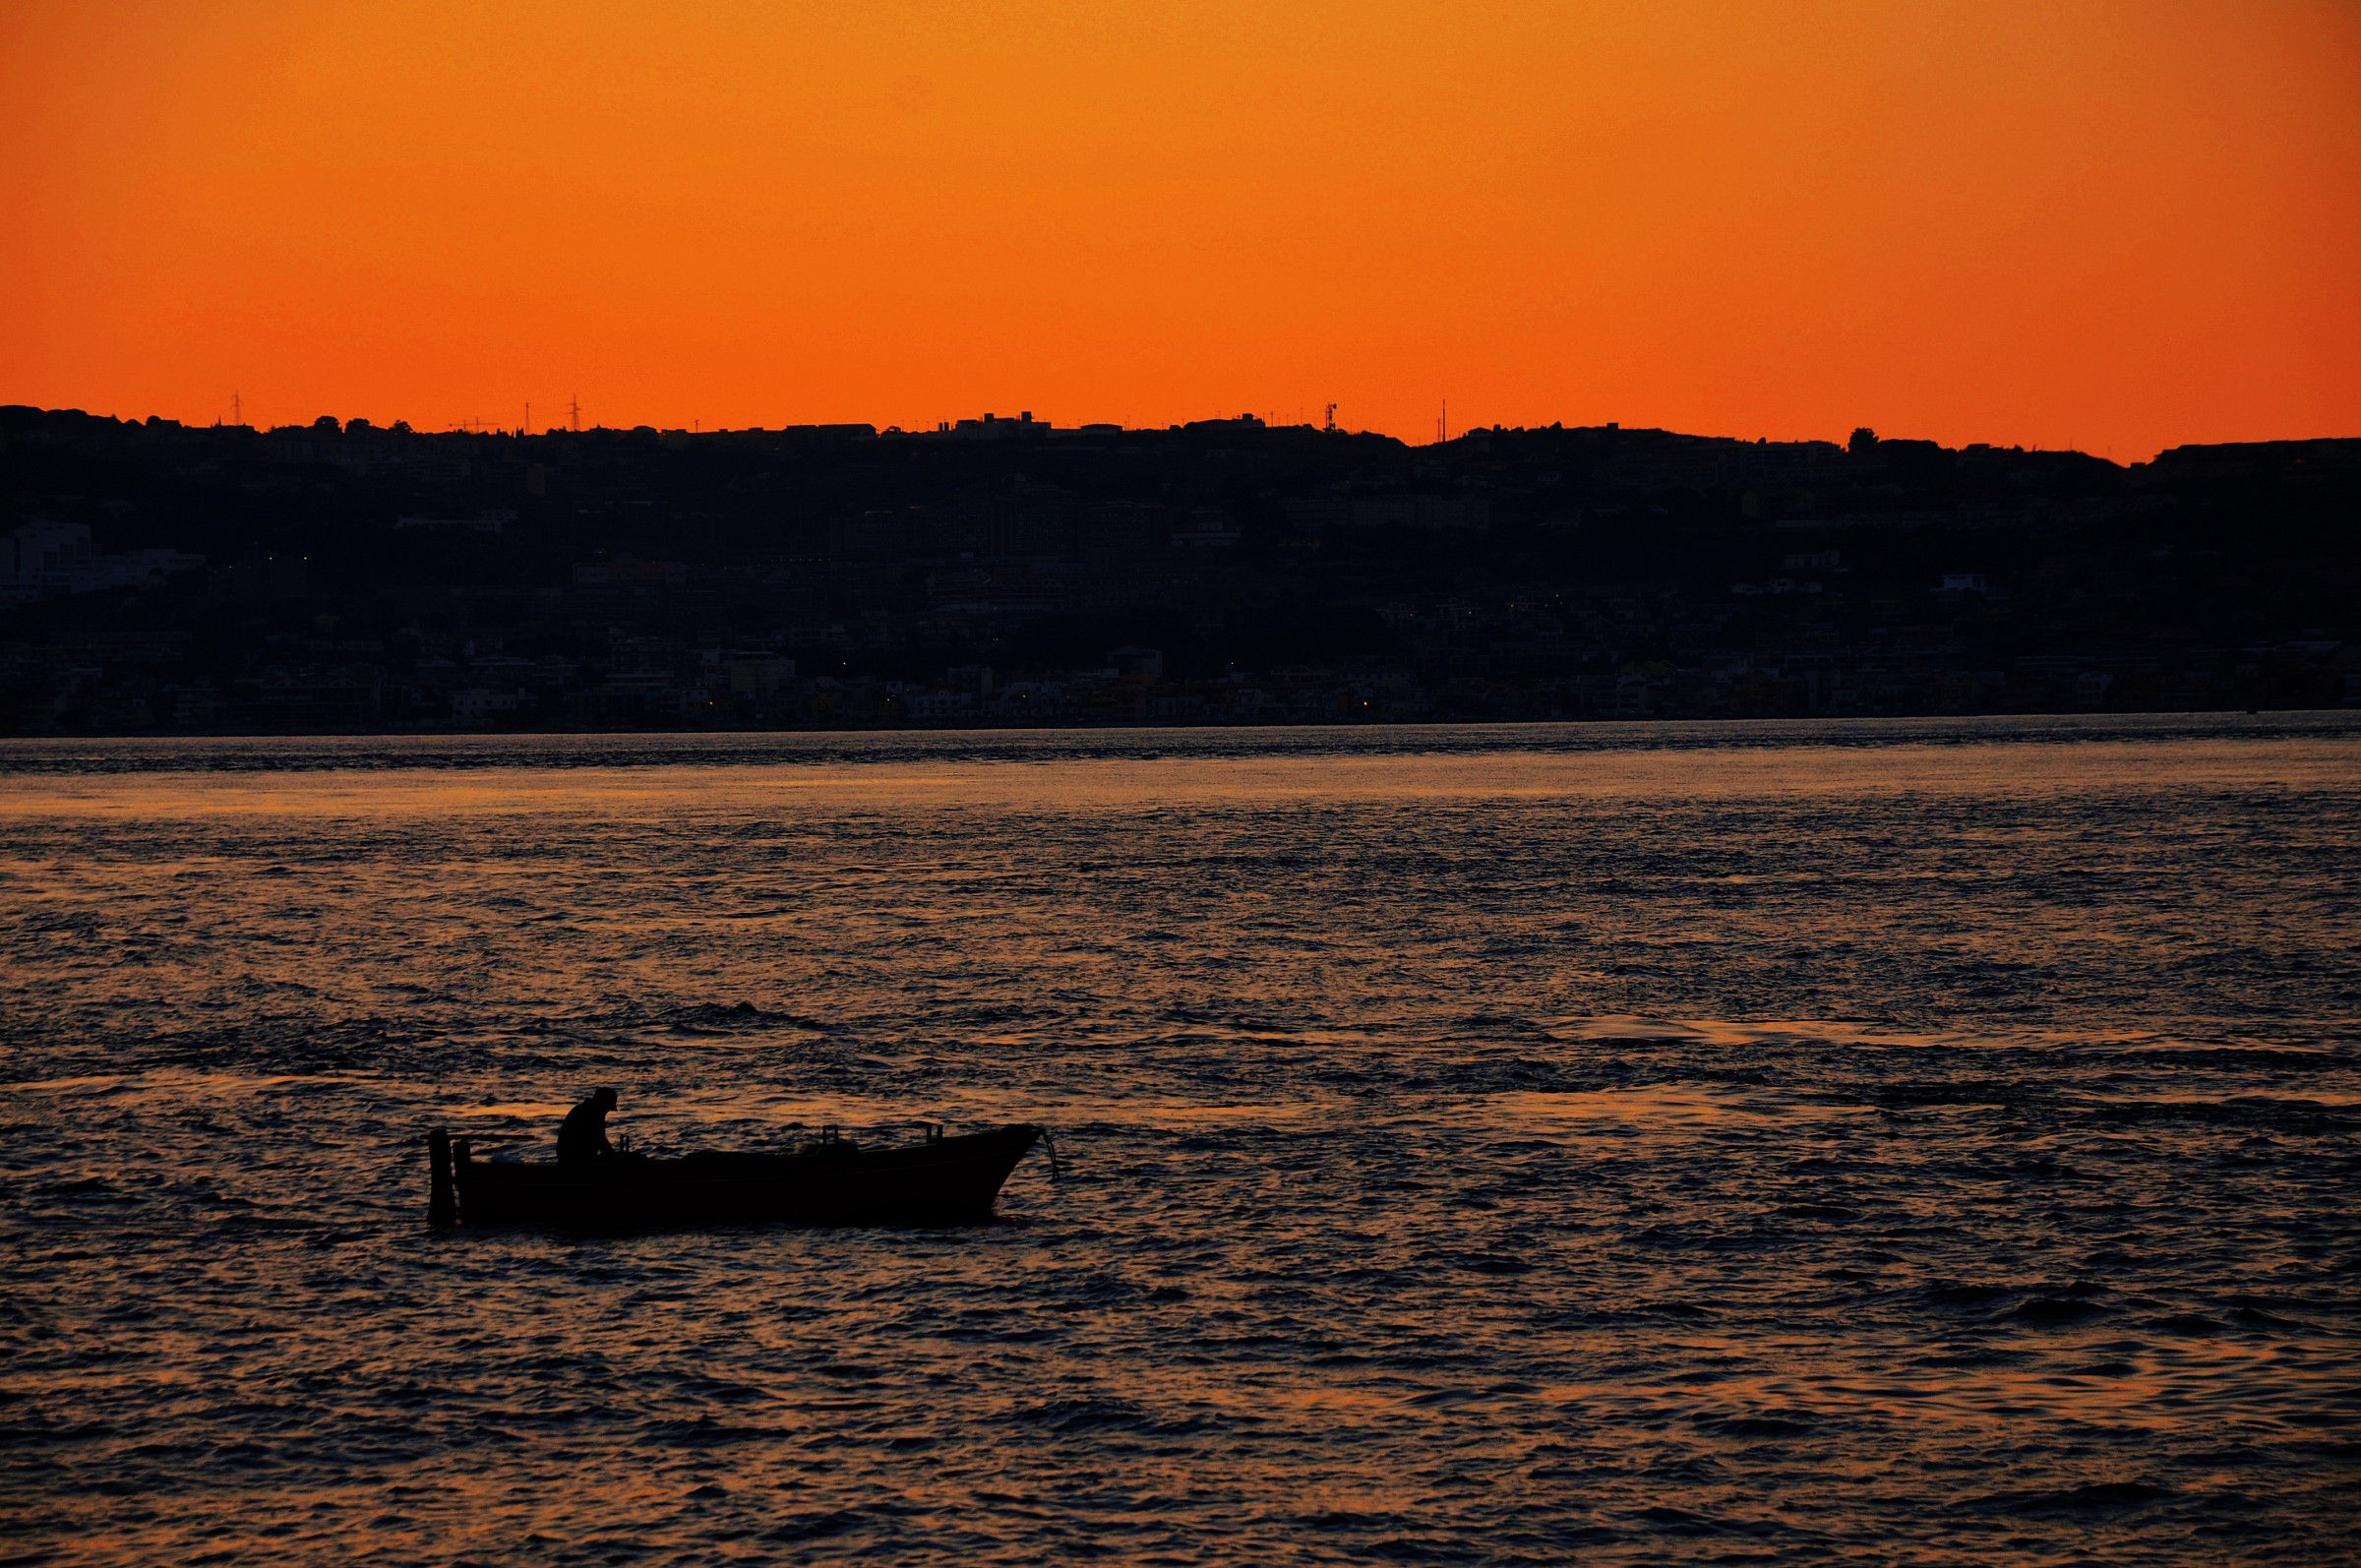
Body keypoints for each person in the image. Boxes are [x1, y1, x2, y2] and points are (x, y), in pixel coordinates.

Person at [557, 1088, 618, 1167]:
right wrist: (613, 1157)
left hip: (569, 1157)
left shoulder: (586, 1108)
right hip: (575, 1160)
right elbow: (600, 1140)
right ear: (603, 1104)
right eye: (607, 1108)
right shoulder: (593, 1113)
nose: (607, 1112)